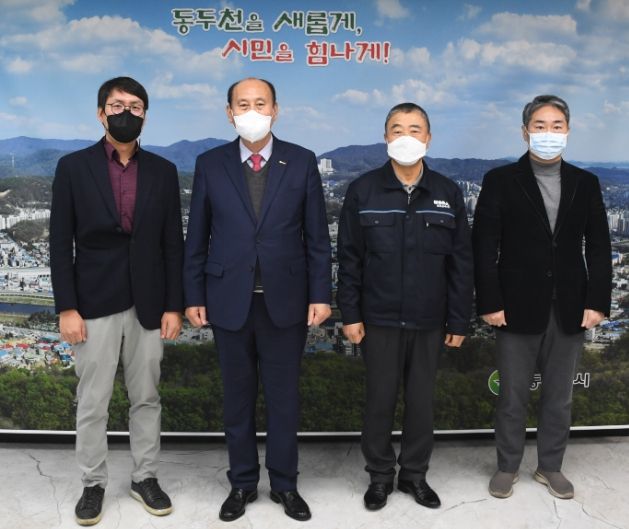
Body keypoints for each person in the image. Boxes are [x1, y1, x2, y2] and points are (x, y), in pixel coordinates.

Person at [183, 77, 332, 522]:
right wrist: (194, 294)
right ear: (229, 112)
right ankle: (242, 483)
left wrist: (320, 294)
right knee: (238, 399)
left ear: (275, 110)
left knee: (284, 399)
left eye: (260, 103)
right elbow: (197, 238)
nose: (252, 112)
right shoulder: (210, 163)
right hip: (228, 299)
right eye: (243, 104)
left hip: (285, 300)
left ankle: (285, 484)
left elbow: (317, 238)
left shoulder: (301, 161)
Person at [49, 76, 183, 526]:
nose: (126, 113)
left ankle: (145, 477)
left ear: (146, 115)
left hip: (149, 303)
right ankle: (93, 483)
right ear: (100, 113)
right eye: (117, 105)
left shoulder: (163, 171)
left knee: (147, 397)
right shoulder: (73, 167)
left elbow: (173, 244)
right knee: (93, 401)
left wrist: (173, 305)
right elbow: (59, 242)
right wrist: (67, 307)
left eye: (135, 107)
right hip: (92, 302)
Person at [473, 95, 612, 500]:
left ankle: (550, 466)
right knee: (512, 396)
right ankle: (507, 466)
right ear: (524, 132)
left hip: (571, 306)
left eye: (556, 126)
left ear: (567, 131)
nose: (548, 133)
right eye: (539, 126)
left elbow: (599, 246)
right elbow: (484, 245)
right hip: (514, 305)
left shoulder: (585, 182)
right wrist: (490, 302)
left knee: (559, 396)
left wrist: (597, 302)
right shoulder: (500, 180)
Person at [336, 102, 473, 511]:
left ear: (428, 138)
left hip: (430, 320)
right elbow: (349, 258)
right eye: (397, 129)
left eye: (415, 130)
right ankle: (379, 476)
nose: (406, 137)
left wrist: (458, 320)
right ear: (385, 137)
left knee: (421, 403)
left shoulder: (447, 192)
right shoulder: (363, 190)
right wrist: (350, 314)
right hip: (378, 319)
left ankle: (414, 475)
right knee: (379, 401)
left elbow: (461, 262)